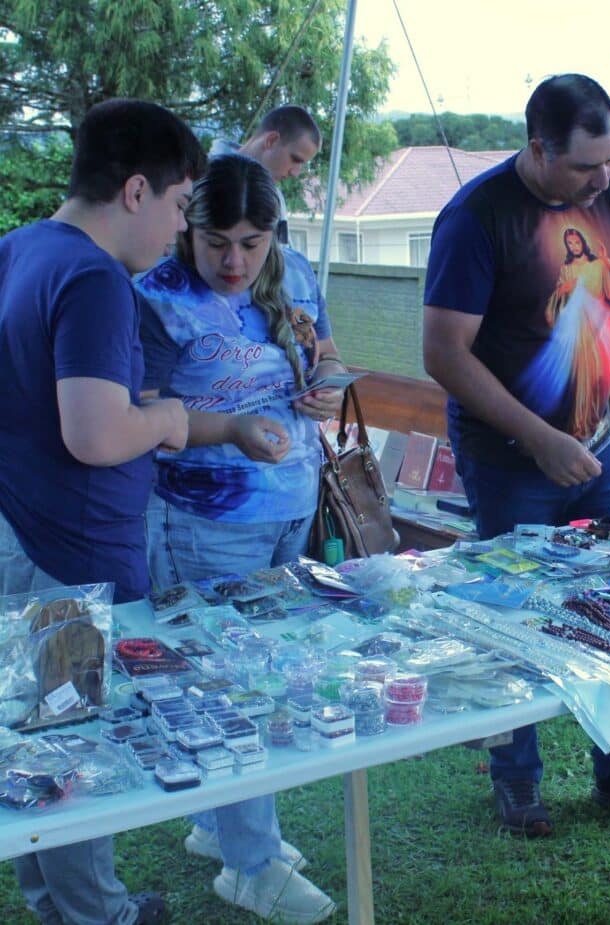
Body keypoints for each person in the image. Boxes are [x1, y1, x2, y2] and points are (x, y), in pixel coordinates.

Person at [422, 73, 610, 838]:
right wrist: (536, 438)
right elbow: (445, 352)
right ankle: (517, 777)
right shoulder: (475, 218)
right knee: (519, 610)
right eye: (585, 166)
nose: (601, 180)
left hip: (600, 447)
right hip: (511, 457)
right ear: (538, 147)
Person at [0, 98, 205, 925]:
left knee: (38, 736)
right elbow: (94, 434)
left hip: (28, 533)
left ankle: (57, 902)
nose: (177, 231)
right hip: (67, 554)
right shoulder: (94, 278)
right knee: (71, 741)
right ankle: (99, 916)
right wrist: (167, 420)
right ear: (134, 191)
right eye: (181, 206)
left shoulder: (19, 247)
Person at [134, 154, 344, 924]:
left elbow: (325, 354)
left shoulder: (295, 274)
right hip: (202, 519)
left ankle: (220, 822)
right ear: (187, 228)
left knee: (267, 674)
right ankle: (251, 864)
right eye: (217, 240)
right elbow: (140, 420)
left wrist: (325, 385)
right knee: (227, 685)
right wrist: (230, 431)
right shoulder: (155, 300)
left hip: (292, 503)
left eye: (251, 242)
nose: (233, 261)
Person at [209, 104, 321, 244]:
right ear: (271, 141)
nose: (295, 173)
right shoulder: (199, 182)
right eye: (295, 159)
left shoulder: (276, 198)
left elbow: (281, 258)